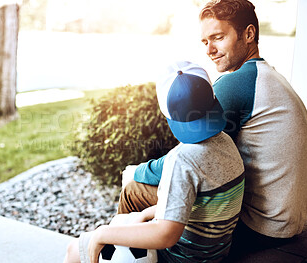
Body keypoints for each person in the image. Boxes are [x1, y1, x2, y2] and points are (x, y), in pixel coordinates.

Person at [119, 0, 307, 260]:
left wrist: (136, 171)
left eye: (218, 38)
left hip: (261, 225)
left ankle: (117, 253)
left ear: (248, 34)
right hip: (287, 218)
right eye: (204, 42)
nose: (209, 50)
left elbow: (191, 156)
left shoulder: (237, 85)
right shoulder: (265, 76)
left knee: (134, 188)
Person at [64, 61, 245, 263]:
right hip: (214, 253)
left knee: (74, 249)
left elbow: (166, 235)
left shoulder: (182, 159)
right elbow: (203, 206)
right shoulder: (226, 142)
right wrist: (149, 213)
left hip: (181, 258)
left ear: (166, 113)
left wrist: (103, 234)